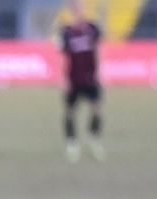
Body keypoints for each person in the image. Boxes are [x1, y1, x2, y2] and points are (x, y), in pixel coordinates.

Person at [58, 0, 104, 162]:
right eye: (75, 9)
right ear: (71, 11)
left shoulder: (92, 28)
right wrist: (63, 78)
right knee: (70, 112)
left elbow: (98, 50)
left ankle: (94, 139)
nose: (78, 11)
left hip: (90, 77)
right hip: (74, 78)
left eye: (80, 8)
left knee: (96, 110)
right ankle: (72, 143)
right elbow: (64, 56)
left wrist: (99, 72)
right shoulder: (67, 32)